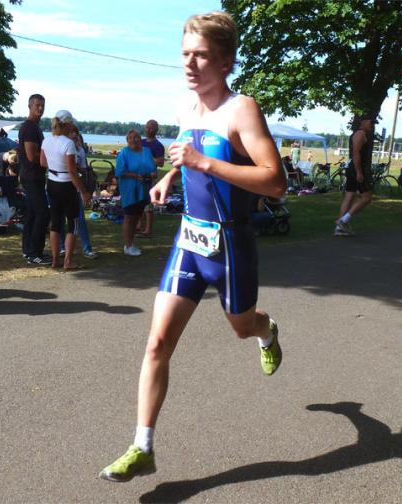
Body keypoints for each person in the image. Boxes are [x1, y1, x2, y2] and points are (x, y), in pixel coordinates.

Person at [99, 11, 287, 482]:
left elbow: (275, 182)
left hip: (231, 245)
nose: (189, 64)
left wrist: (203, 163)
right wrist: (170, 176)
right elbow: (190, 156)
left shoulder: (242, 110)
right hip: (189, 239)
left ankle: (266, 330)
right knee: (157, 343)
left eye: (200, 55)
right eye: (185, 54)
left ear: (225, 61)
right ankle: (142, 447)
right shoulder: (186, 109)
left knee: (241, 328)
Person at [40, 110, 91, 270]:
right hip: (67, 185)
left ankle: (55, 260)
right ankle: (68, 261)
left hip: (51, 183)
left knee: (56, 223)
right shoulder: (68, 143)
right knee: (73, 223)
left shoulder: (47, 140)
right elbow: (72, 171)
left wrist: (56, 165)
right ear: (67, 124)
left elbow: (42, 162)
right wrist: (84, 192)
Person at [18, 94, 51, 265]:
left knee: (32, 214)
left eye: (42, 105)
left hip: (34, 176)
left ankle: (27, 250)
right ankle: (34, 253)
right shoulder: (29, 128)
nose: (40, 108)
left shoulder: (36, 127)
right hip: (31, 177)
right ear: (29, 106)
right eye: (37, 105)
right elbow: (32, 156)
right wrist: (51, 156)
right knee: (42, 213)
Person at [115, 129, 157, 257]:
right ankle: (127, 246)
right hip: (129, 190)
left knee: (137, 217)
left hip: (143, 189)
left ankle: (131, 243)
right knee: (129, 217)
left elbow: (153, 168)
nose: (134, 140)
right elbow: (120, 171)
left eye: (136, 137)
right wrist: (136, 176)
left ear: (140, 139)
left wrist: (152, 174)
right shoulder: (124, 153)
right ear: (127, 140)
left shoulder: (146, 151)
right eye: (130, 138)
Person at [335, 114, 376, 237]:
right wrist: (359, 172)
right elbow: (356, 154)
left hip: (353, 168)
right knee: (366, 198)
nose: (373, 125)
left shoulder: (359, 133)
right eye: (371, 122)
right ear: (363, 122)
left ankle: (339, 228)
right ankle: (343, 220)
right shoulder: (360, 134)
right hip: (357, 168)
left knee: (349, 195)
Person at [68, 127, 98, 259]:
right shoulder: (64, 147)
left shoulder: (79, 150)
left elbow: (84, 171)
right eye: (71, 133)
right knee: (60, 219)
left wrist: (84, 189)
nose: (74, 135)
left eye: (76, 133)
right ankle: (62, 248)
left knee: (80, 219)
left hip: (77, 187)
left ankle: (87, 248)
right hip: (63, 185)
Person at [138, 119, 165, 237]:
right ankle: (140, 225)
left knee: (148, 204)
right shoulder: (141, 142)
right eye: (147, 127)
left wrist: (147, 158)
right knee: (139, 202)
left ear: (156, 130)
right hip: (138, 176)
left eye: (151, 127)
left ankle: (148, 229)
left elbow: (161, 162)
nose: (148, 130)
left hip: (150, 177)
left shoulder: (158, 145)